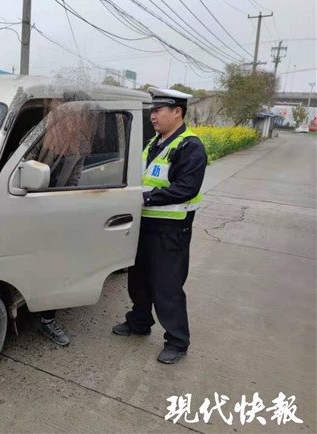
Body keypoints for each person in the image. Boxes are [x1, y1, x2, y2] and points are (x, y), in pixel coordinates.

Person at [112, 88, 207, 364]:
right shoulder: (154, 142)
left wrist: (146, 197)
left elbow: (186, 188)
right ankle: (139, 322)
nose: (153, 116)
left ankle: (177, 341)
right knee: (138, 278)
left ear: (177, 112)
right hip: (143, 224)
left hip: (171, 229)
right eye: (152, 111)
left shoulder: (190, 146)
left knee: (167, 286)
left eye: (158, 111)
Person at [26, 95, 100, 346]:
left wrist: (66, 204)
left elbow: (75, 177)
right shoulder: (40, 133)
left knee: (58, 267)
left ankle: (47, 320)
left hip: (57, 210)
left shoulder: (80, 142)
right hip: (29, 204)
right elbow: (23, 164)